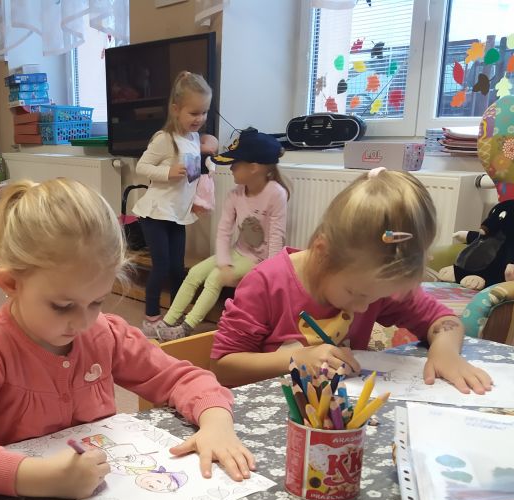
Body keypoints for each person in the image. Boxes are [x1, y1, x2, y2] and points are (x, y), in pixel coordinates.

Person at [0, 178, 255, 500]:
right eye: (63, 306)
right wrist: (35, 478)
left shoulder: (106, 333)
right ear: (11, 284)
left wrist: (216, 422)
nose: (83, 322)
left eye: (97, 301)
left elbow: (182, 378)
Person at [210, 168, 493, 394]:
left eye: (374, 298)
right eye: (355, 293)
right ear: (322, 253)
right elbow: (223, 367)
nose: (363, 307)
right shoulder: (266, 284)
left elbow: (444, 320)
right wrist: (294, 359)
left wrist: (445, 352)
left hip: (341, 418)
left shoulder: (374, 284)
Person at [156, 128, 290, 341]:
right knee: (195, 273)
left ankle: (187, 327)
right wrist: (224, 262)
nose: (231, 168)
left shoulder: (276, 194)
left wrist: (269, 274)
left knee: (215, 278)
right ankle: (168, 322)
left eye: (235, 164)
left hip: (259, 260)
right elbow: (223, 232)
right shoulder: (235, 194)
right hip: (238, 252)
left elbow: (276, 237)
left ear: (254, 168)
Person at [133, 71, 213, 336]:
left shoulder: (193, 138)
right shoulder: (164, 139)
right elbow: (142, 166)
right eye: (194, 113)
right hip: (156, 214)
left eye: (204, 112)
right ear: (176, 109)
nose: (199, 118)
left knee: (178, 268)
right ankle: (151, 318)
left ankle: (174, 315)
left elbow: (193, 173)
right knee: (162, 266)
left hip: (178, 214)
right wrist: (167, 172)